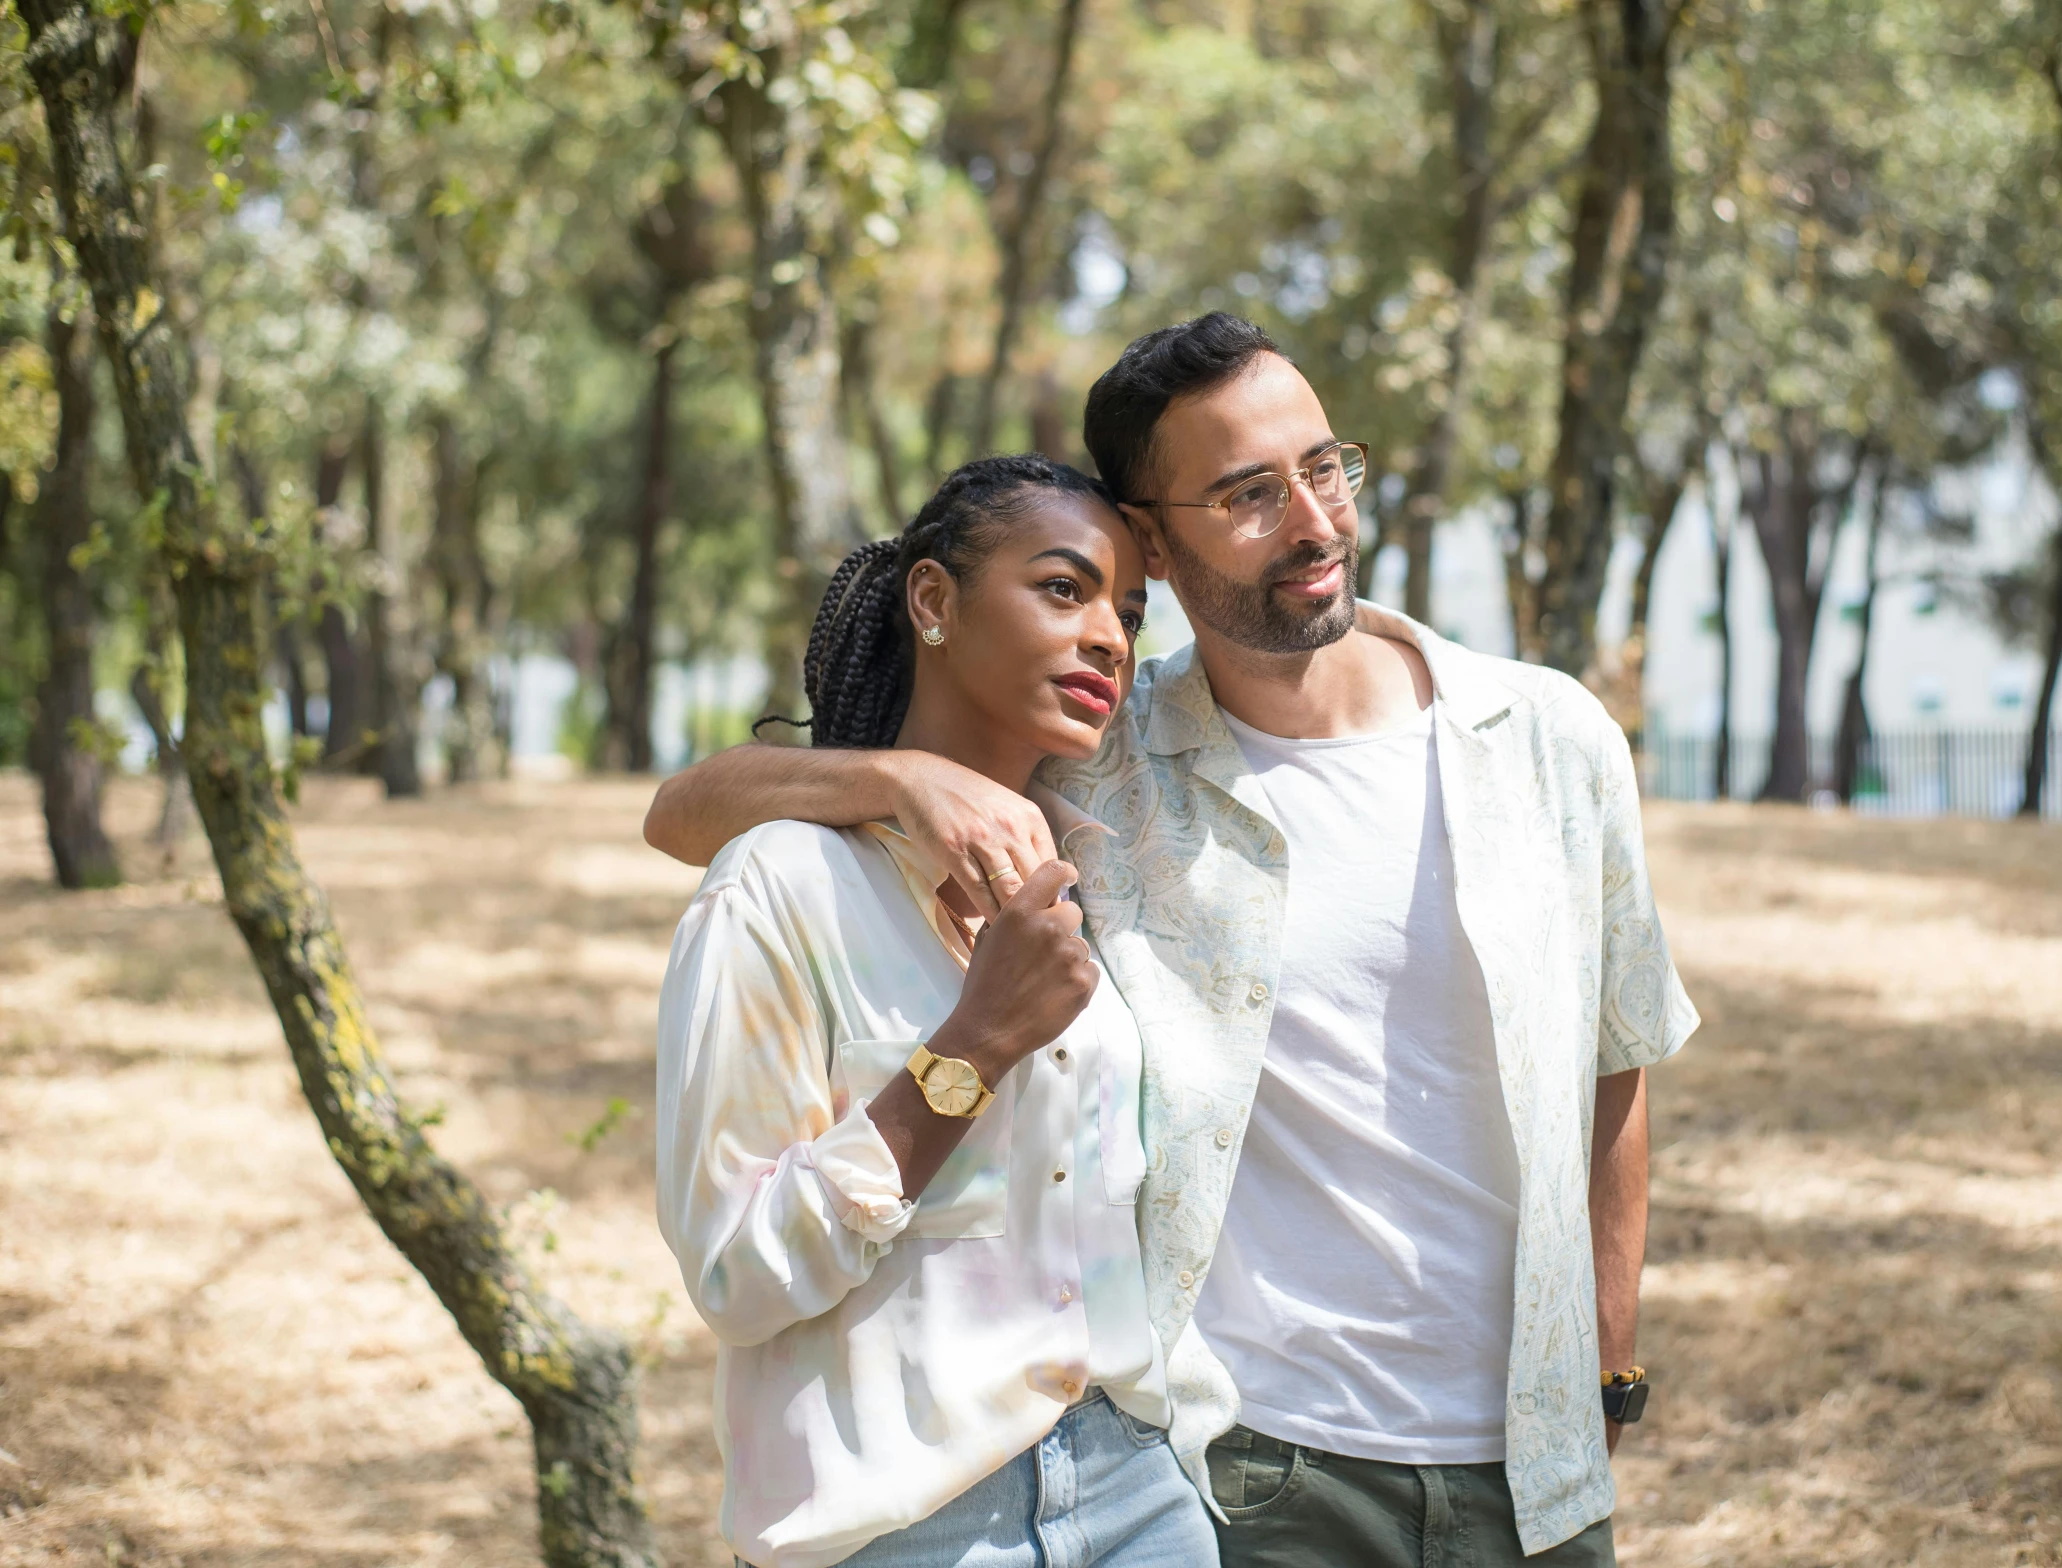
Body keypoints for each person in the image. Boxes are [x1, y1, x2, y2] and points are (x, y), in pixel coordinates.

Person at [646, 315, 1700, 1568]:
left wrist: (1612, 1357)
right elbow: (685, 811)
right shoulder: (1104, 748)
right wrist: (902, 778)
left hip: (1532, 1459)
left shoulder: (1546, 738)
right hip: (1254, 1468)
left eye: (1324, 467)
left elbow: (1617, 1046)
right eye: (1248, 494)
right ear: (1151, 531)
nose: (1313, 523)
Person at [653, 454, 1218, 1568]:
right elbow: (734, 1276)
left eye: (1130, 612)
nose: (1109, 633)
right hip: (903, 1521)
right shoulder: (785, 886)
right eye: (1064, 589)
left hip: (1141, 1490)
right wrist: (972, 1047)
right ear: (932, 601)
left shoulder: (1109, 855)